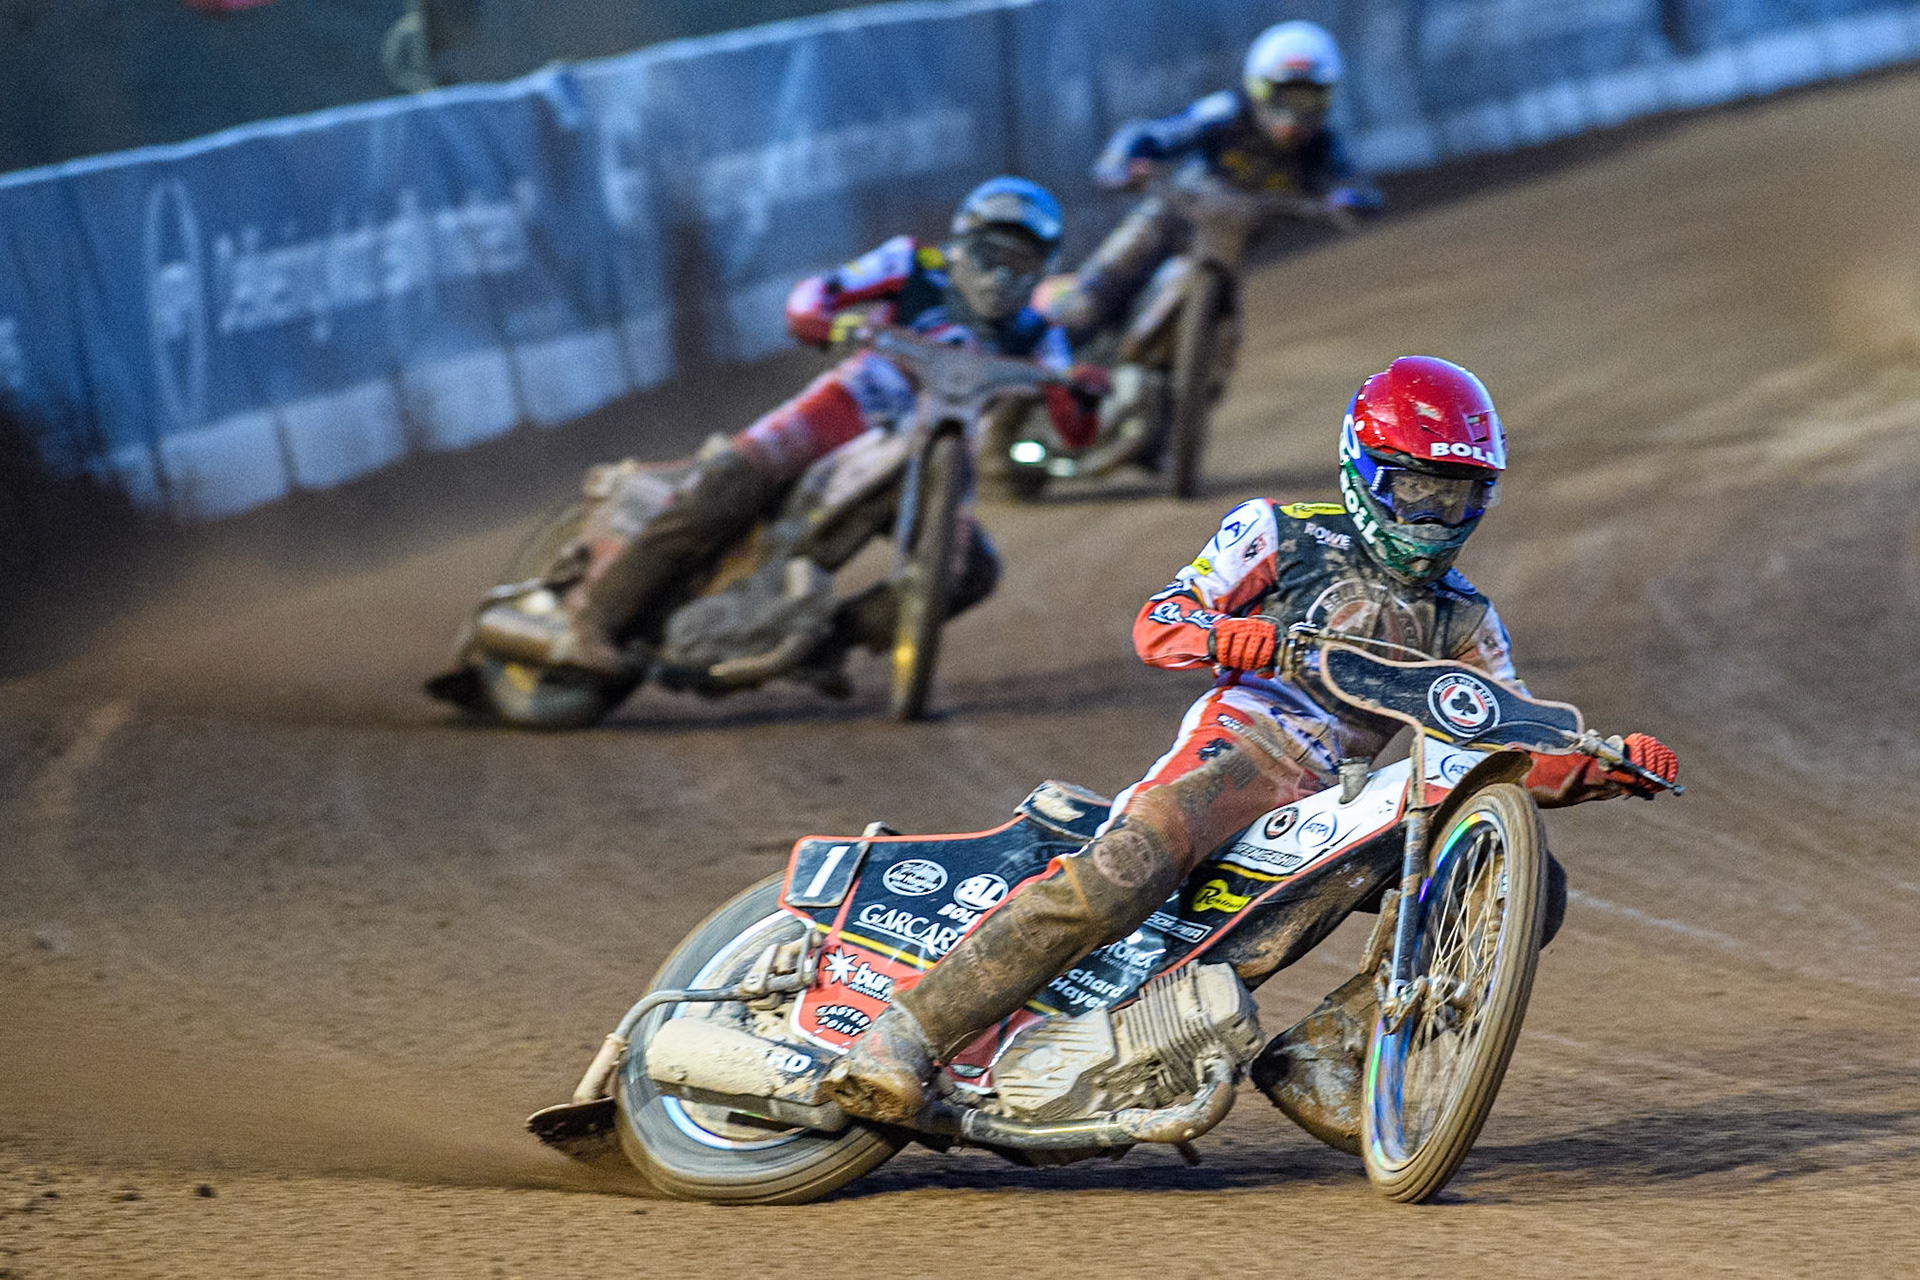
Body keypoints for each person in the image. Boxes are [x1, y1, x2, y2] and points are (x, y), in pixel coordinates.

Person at [822, 355, 1681, 1126]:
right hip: (1242, 749)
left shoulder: (1467, 617)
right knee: (1136, 859)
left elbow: (1507, 732)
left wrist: (1607, 767)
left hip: (1344, 799)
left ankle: (1326, 1053)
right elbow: (1160, 621)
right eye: (1415, 488)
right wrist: (1226, 637)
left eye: (1454, 495)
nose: (1432, 513)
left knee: (1531, 887)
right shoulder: (1279, 531)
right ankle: (902, 1035)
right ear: (1364, 471)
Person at [470, 177, 1106, 684]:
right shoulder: (913, 264)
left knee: (972, 571)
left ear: (1042, 269)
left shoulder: (1038, 333)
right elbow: (815, 296)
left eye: (1022, 265)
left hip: (936, 455)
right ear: (965, 243)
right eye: (993, 256)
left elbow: (1072, 432)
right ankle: (596, 619)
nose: (1002, 277)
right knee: (731, 479)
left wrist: (1086, 395)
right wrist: (826, 324)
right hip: (848, 407)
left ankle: (827, 643)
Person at [1044, 19, 1382, 344]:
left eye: (1307, 99)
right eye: (1286, 96)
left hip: (1227, 250)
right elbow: (1155, 134)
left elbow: (1354, 184)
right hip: (1175, 216)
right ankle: (1047, 345)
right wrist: (1121, 162)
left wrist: (1350, 201)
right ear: (1260, 87)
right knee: (1090, 301)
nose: (1294, 114)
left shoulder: (1322, 145)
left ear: (1325, 98)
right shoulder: (1226, 112)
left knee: (1226, 339)